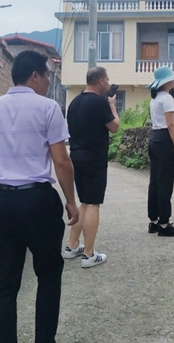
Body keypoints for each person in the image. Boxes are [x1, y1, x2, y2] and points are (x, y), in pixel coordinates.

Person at [0, 50, 79, 343]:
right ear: (35, 75)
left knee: (4, 283)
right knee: (48, 274)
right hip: (38, 202)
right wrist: (70, 201)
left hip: (1, 201)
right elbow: (61, 161)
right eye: (47, 75)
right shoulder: (48, 108)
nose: (48, 81)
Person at [64, 66, 120, 268]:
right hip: (94, 159)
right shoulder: (99, 102)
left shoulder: (74, 103)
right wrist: (112, 106)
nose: (108, 83)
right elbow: (115, 127)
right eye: (107, 80)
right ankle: (89, 254)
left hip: (76, 157)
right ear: (101, 81)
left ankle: (72, 246)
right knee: (93, 203)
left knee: (84, 202)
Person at [147, 66, 174, 237]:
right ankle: (164, 223)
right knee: (165, 183)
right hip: (164, 140)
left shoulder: (155, 98)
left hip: (154, 138)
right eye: (172, 78)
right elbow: (171, 125)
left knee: (155, 181)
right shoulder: (167, 98)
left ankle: (154, 220)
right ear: (166, 82)